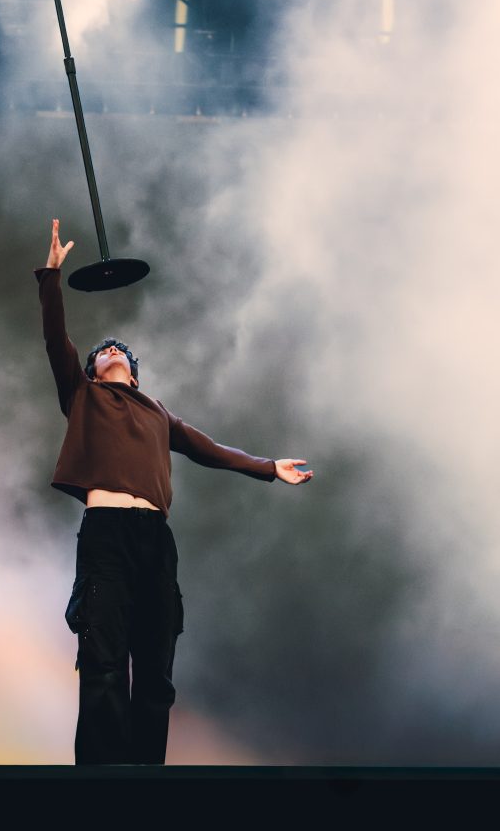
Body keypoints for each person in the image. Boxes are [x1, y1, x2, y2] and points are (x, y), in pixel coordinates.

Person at [35, 218, 313, 765]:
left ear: (135, 374)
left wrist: (267, 467)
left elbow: (209, 449)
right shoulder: (83, 396)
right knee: (104, 660)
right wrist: (51, 276)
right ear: (93, 369)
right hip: (107, 534)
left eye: (121, 349)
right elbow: (54, 339)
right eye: (103, 350)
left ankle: (147, 775)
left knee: (155, 668)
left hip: (154, 541)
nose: (112, 349)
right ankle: (101, 776)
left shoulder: (159, 413)